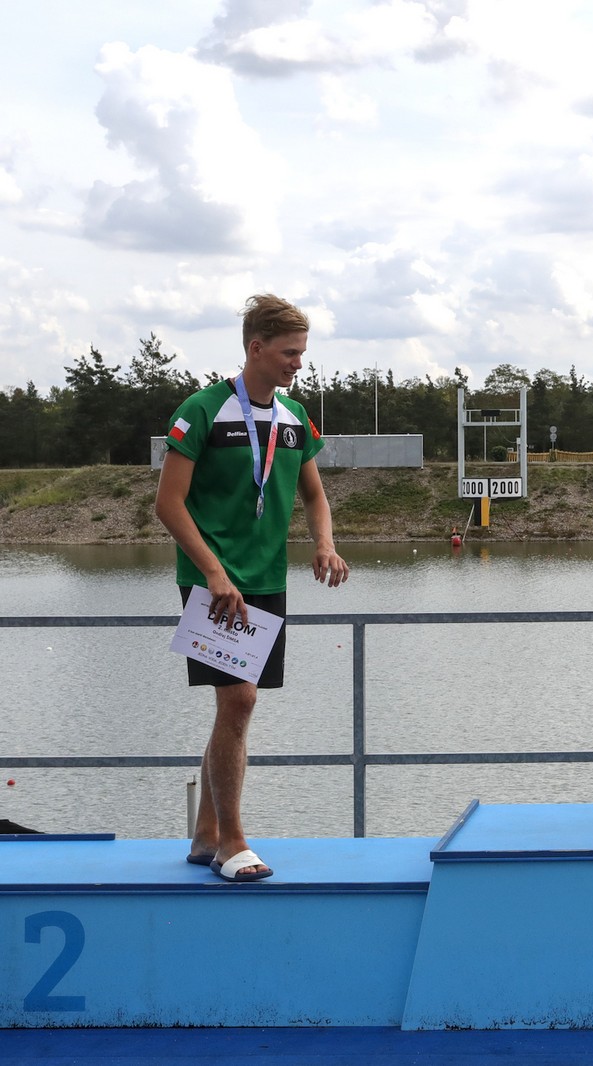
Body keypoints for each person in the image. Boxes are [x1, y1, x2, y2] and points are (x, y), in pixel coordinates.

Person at [155, 293, 350, 882]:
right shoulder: (202, 410)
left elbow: (314, 495)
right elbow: (168, 504)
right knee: (239, 700)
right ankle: (232, 844)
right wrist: (213, 572)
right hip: (214, 584)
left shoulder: (294, 417)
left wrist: (324, 544)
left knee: (234, 706)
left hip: (266, 579)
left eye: (303, 353)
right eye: (290, 353)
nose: (299, 364)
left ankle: (205, 834)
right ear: (256, 348)